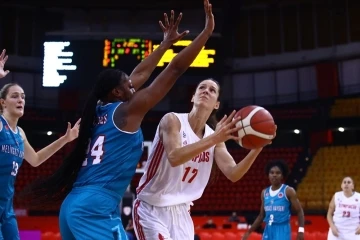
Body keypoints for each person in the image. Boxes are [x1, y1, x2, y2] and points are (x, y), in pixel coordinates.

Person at [26, 1, 215, 239]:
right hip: (95, 208)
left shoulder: (97, 109)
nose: (134, 86)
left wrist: (165, 44)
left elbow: (139, 74)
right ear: (117, 92)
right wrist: (206, 33)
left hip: (73, 205)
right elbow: (175, 70)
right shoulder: (126, 112)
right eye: (128, 85)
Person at [132, 79, 276, 239]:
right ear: (193, 97)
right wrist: (215, 138)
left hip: (182, 213)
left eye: (212, 90)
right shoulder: (173, 120)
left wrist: (257, 147)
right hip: (152, 207)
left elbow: (233, 174)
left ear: (216, 105)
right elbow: (174, 157)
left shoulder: (214, 136)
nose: (206, 91)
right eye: (202, 87)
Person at [0, 49, 80, 240]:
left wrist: (65, 139)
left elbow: (35, 160)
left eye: (23, 96)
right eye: (15, 96)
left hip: (6, 209)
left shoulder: (20, 134)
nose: (21, 100)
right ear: (2, 103)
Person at [242, 160, 304, 240]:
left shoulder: (288, 191)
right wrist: (249, 231)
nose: (274, 175)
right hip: (268, 229)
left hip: (282, 229)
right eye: (272, 173)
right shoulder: (264, 192)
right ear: (268, 175)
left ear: (282, 175)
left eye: (278, 173)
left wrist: (301, 230)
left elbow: (299, 211)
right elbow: (261, 216)